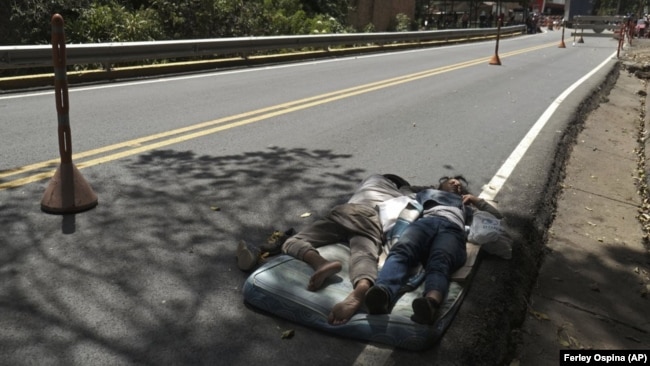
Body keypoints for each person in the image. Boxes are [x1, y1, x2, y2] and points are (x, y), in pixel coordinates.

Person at [281, 173, 430, 325]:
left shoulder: (374, 179)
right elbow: (421, 192)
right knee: (363, 255)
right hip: (370, 219)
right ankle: (361, 288)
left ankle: (320, 263)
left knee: (292, 241)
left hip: (344, 211)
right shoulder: (402, 193)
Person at [364, 176, 502, 325]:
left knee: (441, 260)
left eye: (460, 184)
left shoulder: (466, 206)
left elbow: (496, 216)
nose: (456, 183)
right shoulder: (427, 193)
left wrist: (475, 200)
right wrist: (420, 186)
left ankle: (430, 304)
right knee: (403, 250)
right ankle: (382, 293)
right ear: (440, 185)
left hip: (452, 230)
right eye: (452, 180)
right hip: (426, 223)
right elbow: (405, 190)